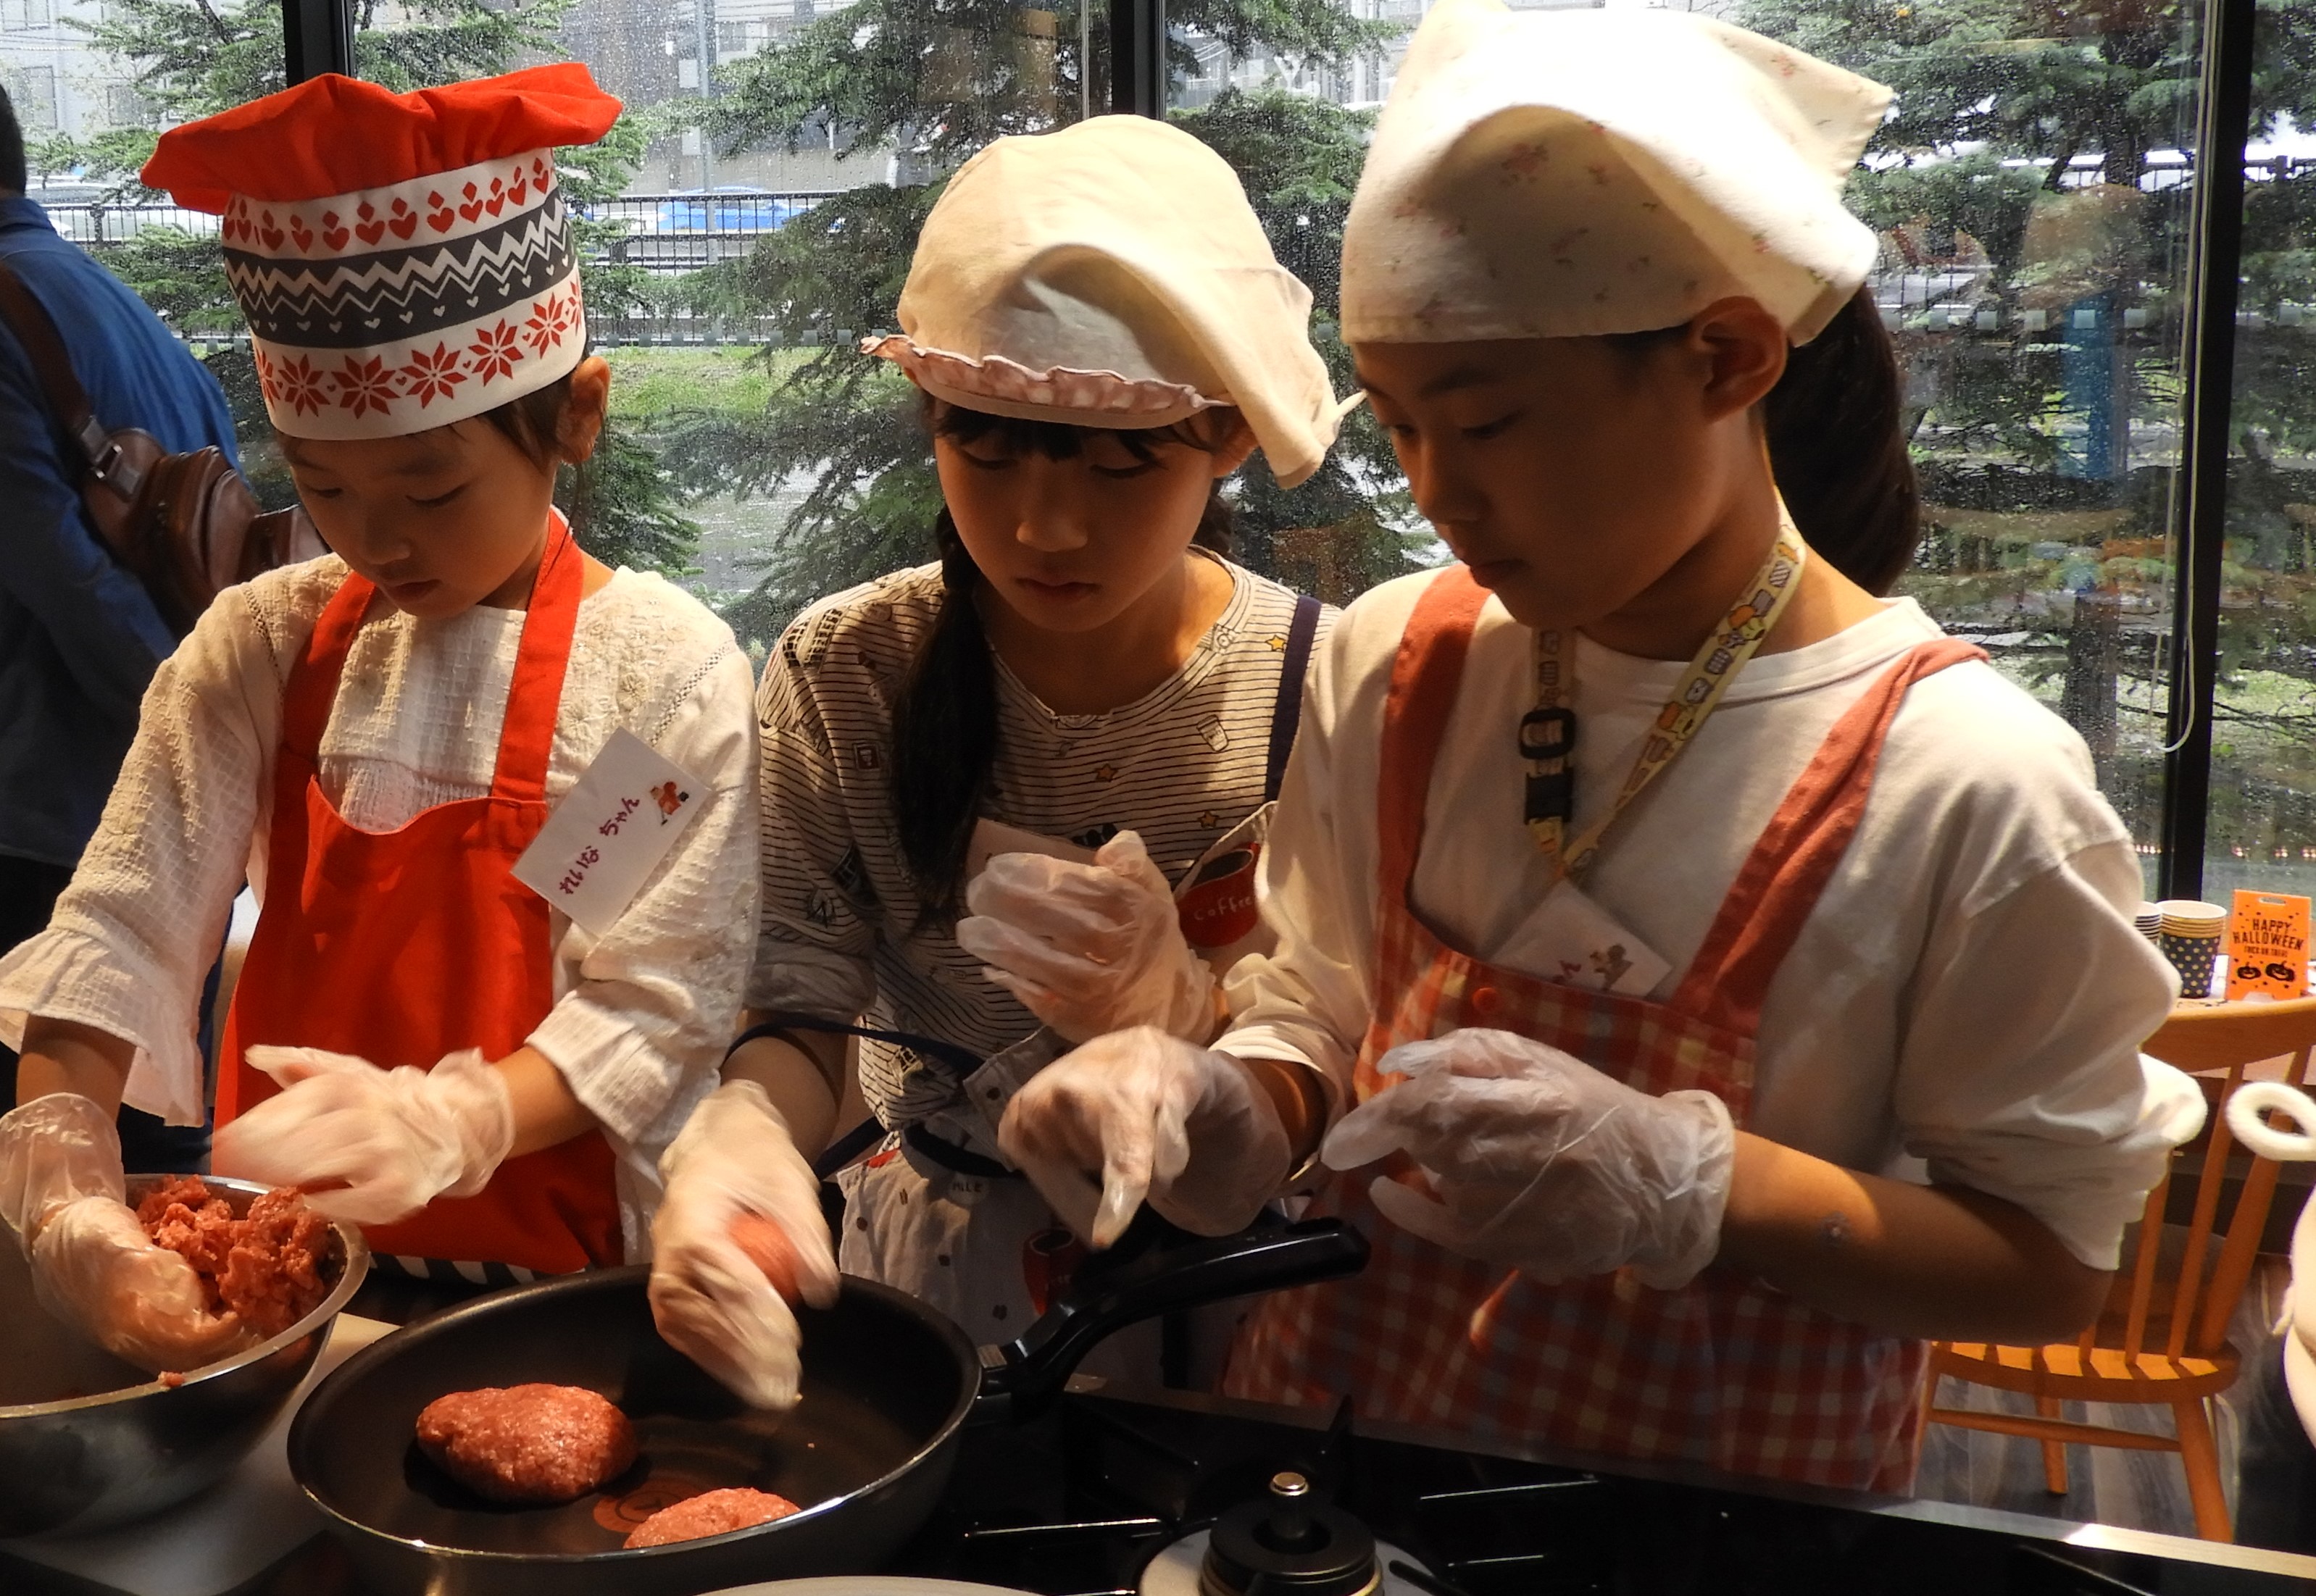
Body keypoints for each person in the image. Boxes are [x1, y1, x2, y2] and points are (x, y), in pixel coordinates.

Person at [996, 0, 2207, 1493]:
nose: (1438, 494)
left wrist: (1692, 1186)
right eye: (1400, 428)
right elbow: (1317, 1011)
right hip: (1345, 1485)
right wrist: (1225, 1099)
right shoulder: (1396, 660)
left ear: (1727, 357)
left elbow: (2048, 1269)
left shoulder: (1965, 780)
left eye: (1489, 424)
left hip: (1728, 1529)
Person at [0, 66, 759, 1373]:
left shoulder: (658, 671)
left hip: (572, 1297)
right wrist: (67, 1187)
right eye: (327, 488)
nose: (378, 540)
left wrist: (458, 1120)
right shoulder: (263, 644)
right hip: (289, 1293)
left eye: (432, 488)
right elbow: (119, 930)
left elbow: (654, 1004)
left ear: (576, 414)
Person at [645, 114, 1353, 1413]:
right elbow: (801, 990)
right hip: (940, 1248)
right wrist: (744, 1136)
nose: (1045, 525)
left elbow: (1325, 1022)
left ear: (1230, 436)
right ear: (931, 415)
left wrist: (1190, 1033)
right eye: (985, 444)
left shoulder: (1314, 679)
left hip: (1233, 1270)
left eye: (1122, 460)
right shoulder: (850, 669)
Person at [0, 84, 242, 1174]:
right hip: (156, 820)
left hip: (45, 819)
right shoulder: (113, 304)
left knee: (61, 1180)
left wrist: (186, 731)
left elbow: (67, 585)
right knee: (159, 1149)